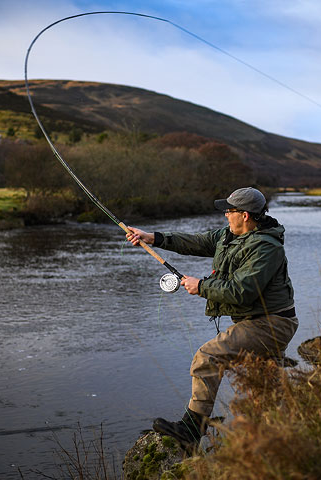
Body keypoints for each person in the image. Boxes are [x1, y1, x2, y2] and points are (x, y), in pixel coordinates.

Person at [126, 187, 298, 451]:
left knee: (208, 357)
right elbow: (195, 242)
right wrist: (152, 237)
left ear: (245, 215)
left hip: (272, 323)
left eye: (229, 211)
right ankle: (276, 445)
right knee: (263, 387)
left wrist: (201, 286)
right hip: (255, 321)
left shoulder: (266, 247)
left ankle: (192, 429)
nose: (225, 216)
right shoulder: (228, 235)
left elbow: (243, 291)